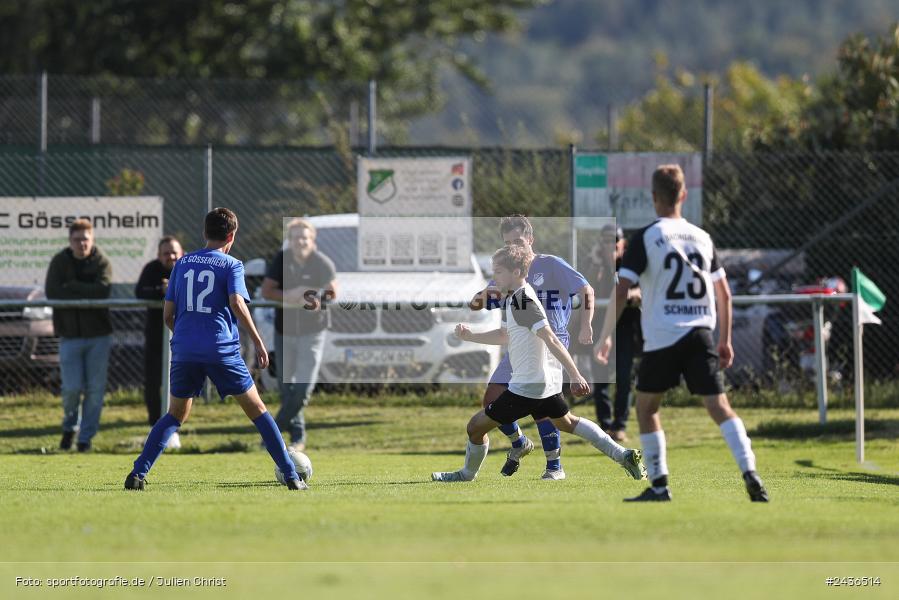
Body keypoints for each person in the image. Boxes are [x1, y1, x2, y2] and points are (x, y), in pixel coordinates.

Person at [596, 165, 769, 502]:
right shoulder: (702, 237)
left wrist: (605, 335)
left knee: (646, 408)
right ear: (684, 196)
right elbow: (725, 294)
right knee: (720, 406)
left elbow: (622, 290)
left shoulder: (647, 236)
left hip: (663, 336)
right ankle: (750, 472)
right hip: (701, 332)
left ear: (654, 198)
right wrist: (725, 340)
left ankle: (659, 485)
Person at [124, 208, 306, 491]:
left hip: (184, 351)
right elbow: (237, 302)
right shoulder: (232, 264)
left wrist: (186, 338)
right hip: (221, 350)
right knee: (258, 410)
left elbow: (167, 314)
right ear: (231, 235)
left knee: (175, 415)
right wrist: (258, 341)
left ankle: (138, 473)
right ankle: (292, 476)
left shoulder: (182, 264)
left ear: (204, 233)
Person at [432, 245, 645, 483]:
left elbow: (551, 338)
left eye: (499, 272)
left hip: (526, 388)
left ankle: (466, 475)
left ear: (516, 272)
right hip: (543, 384)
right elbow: (505, 336)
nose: (494, 278)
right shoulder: (515, 297)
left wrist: (575, 374)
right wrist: (471, 336)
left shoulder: (524, 301)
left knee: (474, 428)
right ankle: (623, 454)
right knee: (567, 422)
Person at [468, 215, 594, 481]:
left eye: (518, 241)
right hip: (519, 343)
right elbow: (478, 303)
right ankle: (519, 443)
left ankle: (554, 465)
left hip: (550, 342)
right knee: (491, 398)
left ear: (531, 240)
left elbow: (586, 289)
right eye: (508, 242)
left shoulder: (551, 264)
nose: (514, 247)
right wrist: (481, 298)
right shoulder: (508, 270)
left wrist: (586, 325)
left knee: (543, 407)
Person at [261, 218, 337, 452]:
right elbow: (267, 291)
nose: (300, 241)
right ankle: (297, 438)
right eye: (295, 237)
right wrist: (290, 295)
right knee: (286, 388)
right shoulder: (280, 260)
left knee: (302, 390)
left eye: (305, 237)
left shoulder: (321, 262)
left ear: (312, 240)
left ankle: (270, 435)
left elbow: (332, 293)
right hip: (285, 331)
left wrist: (317, 298)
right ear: (289, 240)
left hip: (312, 332)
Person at [45, 219, 113, 453]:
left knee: (95, 390)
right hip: (70, 335)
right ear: (70, 241)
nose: (82, 243)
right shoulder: (60, 261)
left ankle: (85, 438)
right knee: (72, 388)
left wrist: (72, 286)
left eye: (85, 238)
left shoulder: (101, 261)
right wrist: (84, 290)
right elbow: (53, 291)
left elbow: (102, 290)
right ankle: (69, 427)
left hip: (98, 336)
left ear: (92, 239)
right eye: (77, 239)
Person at [589, 224, 640, 442]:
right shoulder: (594, 264)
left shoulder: (630, 263)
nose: (610, 245)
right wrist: (599, 265)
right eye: (606, 241)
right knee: (600, 377)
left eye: (614, 240)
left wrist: (635, 293)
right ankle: (605, 426)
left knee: (624, 375)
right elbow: (588, 287)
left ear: (623, 243)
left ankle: (619, 425)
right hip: (600, 325)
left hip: (624, 325)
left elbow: (641, 287)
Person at [135, 236, 184, 439]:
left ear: (181, 253)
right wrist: (160, 291)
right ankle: (154, 423)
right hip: (156, 333)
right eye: (166, 253)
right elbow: (140, 292)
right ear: (159, 255)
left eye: (174, 253)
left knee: (181, 381)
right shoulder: (151, 269)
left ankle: (175, 423)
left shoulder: (187, 268)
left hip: (183, 334)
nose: (170, 257)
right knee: (153, 380)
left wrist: (172, 291)